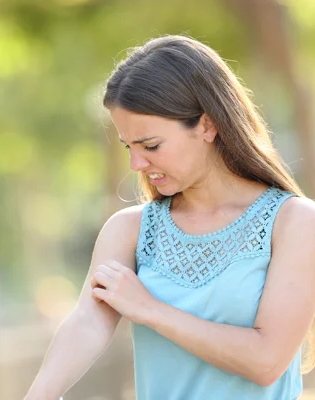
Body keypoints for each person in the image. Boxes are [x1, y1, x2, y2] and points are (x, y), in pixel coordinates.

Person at [24, 35, 315, 400]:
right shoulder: (129, 229)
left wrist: (150, 310)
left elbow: (266, 361)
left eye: (151, 146)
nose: (136, 164)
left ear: (208, 126)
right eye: (129, 147)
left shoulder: (294, 222)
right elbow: (88, 320)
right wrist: (41, 394)